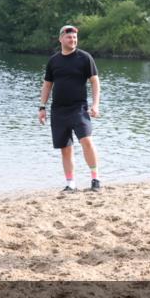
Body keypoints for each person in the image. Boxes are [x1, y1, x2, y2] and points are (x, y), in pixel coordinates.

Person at [38, 25, 102, 193]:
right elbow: (47, 85)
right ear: (60, 39)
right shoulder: (53, 61)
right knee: (65, 149)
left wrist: (95, 105)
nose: (72, 40)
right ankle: (71, 184)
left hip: (79, 108)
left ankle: (95, 179)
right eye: (69, 37)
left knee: (86, 141)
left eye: (74, 38)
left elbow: (95, 82)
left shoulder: (85, 58)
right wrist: (42, 107)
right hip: (58, 111)